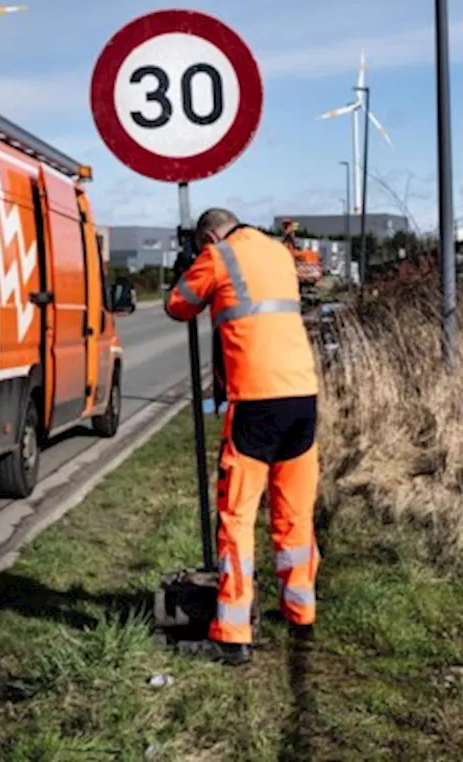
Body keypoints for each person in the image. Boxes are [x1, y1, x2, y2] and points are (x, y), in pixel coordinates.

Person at [164, 208, 321, 666]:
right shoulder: (277, 252)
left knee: (236, 516)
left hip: (255, 400)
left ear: (209, 236)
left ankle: (232, 633)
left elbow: (179, 305)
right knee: (294, 514)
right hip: (302, 395)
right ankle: (301, 614)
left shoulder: (218, 256)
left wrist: (186, 267)